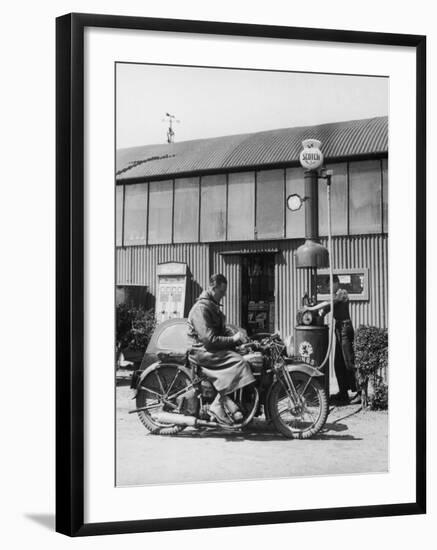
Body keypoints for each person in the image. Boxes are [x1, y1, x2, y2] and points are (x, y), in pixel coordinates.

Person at [187, 273, 255, 423]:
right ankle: (218, 404)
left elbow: (221, 331)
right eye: (221, 292)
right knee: (239, 363)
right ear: (212, 288)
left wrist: (239, 338)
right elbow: (209, 340)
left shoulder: (211, 306)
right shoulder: (201, 309)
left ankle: (233, 402)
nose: (223, 295)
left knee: (244, 356)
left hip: (210, 350)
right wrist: (233, 339)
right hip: (202, 351)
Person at [304, 275, 361, 405]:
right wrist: (317, 313)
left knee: (349, 361)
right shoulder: (335, 296)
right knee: (338, 363)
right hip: (339, 329)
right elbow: (326, 309)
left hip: (345, 328)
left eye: (329, 285)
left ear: (335, 283)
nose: (328, 288)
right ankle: (343, 393)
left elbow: (328, 303)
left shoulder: (342, 293)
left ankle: (359, 392)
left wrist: (311, 308)